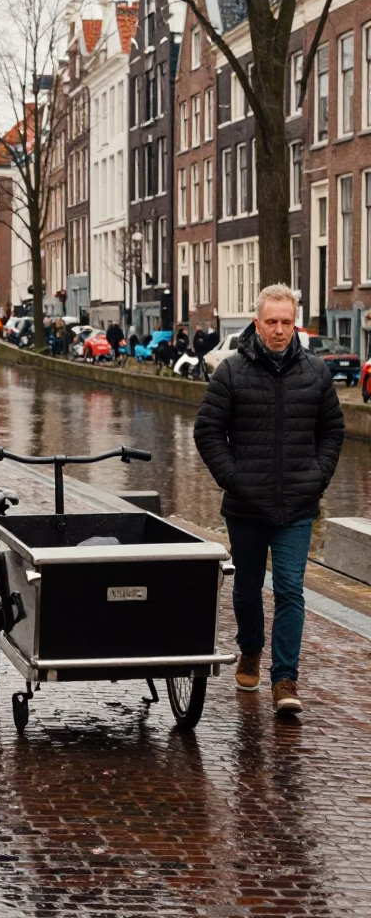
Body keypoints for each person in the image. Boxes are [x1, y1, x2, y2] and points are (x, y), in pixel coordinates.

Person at [194, 284, 344, 717]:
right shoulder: (232, 371)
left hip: (297, 504)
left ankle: (284, 678)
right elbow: (207, 432)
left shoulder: (316, 373)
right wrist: (234, 479)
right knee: (246, 587)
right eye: (271, 322)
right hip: (246, 505)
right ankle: (251, 651)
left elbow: (332, 431)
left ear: (295, 322)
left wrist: (317, 477)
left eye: (286, 322)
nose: (279, 330)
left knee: (291, 590)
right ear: (256, 323)